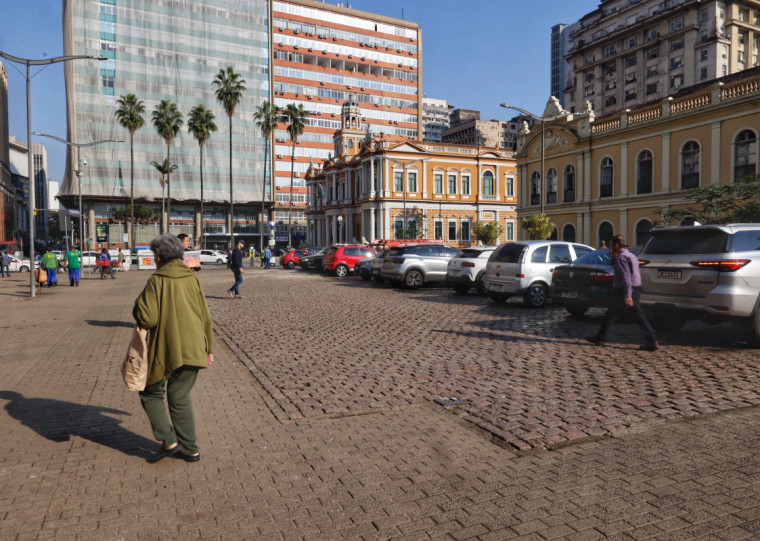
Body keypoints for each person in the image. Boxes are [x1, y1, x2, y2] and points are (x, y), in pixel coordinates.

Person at [133, 233, 214, 463]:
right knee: (180, 396)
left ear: (158, 257)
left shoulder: (157, 280)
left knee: (150, 393)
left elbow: (146, 318)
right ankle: (191, 449)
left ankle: (170, 440)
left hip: (166, 350)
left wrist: (139, 302)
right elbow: (205, 316)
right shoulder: (192, 278)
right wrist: (208, 349)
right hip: (195, 347)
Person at [586, 235, 659, 351]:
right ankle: (652, 340)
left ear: (616, 245)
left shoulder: (622, 258)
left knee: (610, 315)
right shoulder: (631, 255)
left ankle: (600, 338)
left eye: (611, 245)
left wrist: (627, 295)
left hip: (625, 290)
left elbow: (626, 277)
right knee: (639, 316)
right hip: (635, 288)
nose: (610, 247)